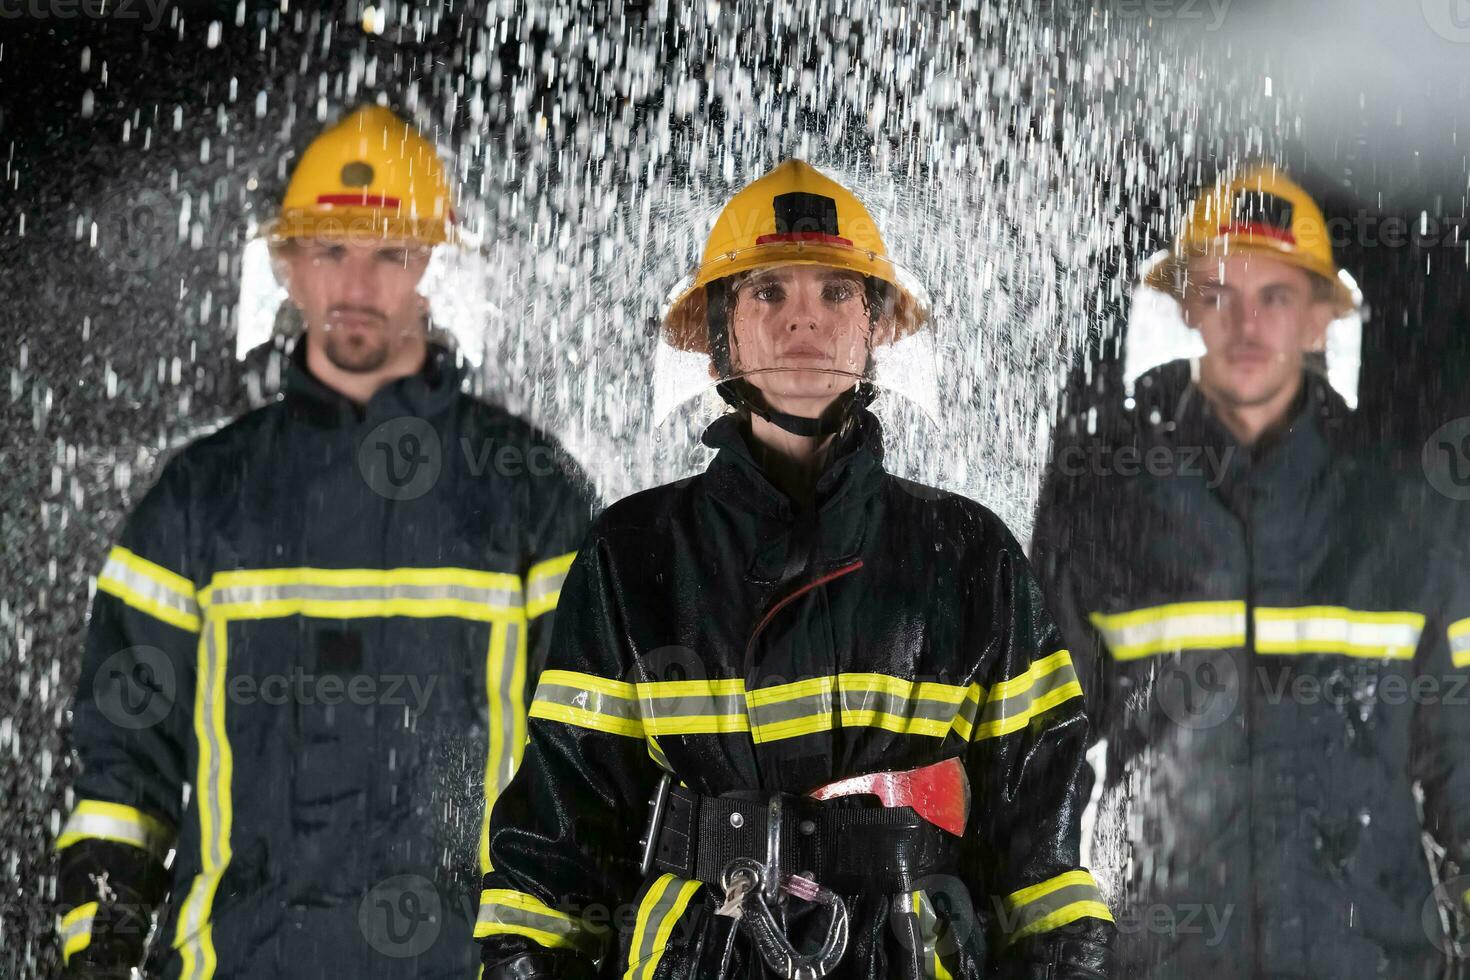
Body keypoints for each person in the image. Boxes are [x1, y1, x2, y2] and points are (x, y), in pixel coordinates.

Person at [474, 160, 1115, 979]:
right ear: (721, 337)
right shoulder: (631, 554)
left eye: (837, 293)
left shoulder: (968, 554)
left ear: (876, 328)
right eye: (767, 292)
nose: (802, 321)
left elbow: (1040, 845)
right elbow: (561, 833)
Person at [54, 105, 594, 979]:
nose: (355, 282)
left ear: (429, 267)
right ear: (287, 266)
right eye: (329, 249)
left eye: (388, 252)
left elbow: (586, 763)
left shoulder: (530, 492)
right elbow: (123, 765)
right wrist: (99, 945)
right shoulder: (201, 496)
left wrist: (549, 952)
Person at [1031, 164, 1470, 978]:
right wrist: (1047, 940)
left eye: (1276, 296)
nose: (1247, 323)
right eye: (1221, 292)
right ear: (1189, 304)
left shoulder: (1404, 510)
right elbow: (1041, 755)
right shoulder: (1107, 497)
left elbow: (1461, 752)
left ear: (1318, 320)